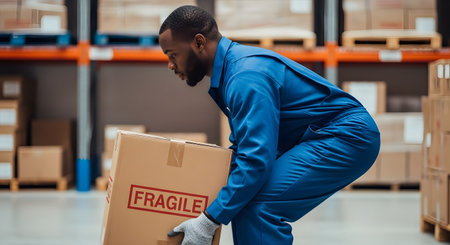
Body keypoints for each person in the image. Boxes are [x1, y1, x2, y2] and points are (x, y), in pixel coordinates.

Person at [159, 5, 380, 245]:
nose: (171, 65)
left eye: (172, 55)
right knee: (243, 198)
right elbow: (246, 149)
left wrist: (207, 221)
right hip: (319, 135)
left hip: (345, 136)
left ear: (199, 43)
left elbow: (256, 161)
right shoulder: (232, 74)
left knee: (259, 206)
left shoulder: (245, 77)